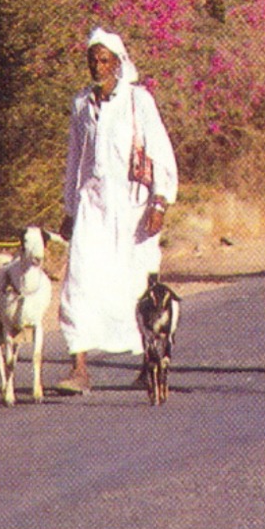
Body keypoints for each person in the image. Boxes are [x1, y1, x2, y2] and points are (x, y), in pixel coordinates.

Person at [56, 27, 178, 394]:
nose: (97, 65)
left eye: (104, 59)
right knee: (79, 281)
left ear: (118, 62)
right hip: (92, 206)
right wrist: (69, 208)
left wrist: (160, 200)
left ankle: (149, 360)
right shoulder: (81, 104)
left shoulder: (138, 101)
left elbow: (160, 150)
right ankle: (79, 368)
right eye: (92, 59)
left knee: (136, 284)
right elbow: (75, 159)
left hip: (133, 208)